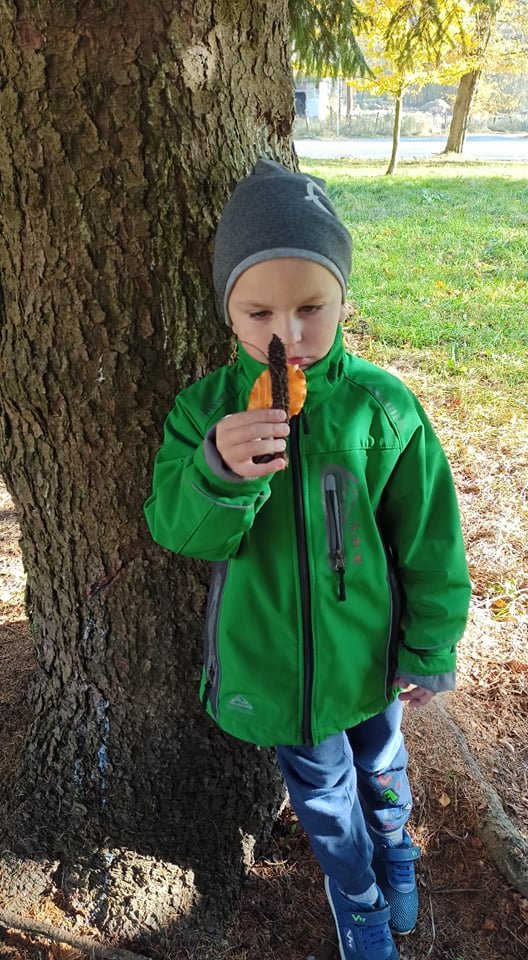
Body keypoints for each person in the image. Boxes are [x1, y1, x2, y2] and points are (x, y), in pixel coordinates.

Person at [144, 160, 471, 960]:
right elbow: (179, 531)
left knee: (383, 762)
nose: (285, 335)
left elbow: (431, 537)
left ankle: (396, 846)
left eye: (310, 307)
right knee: (324, 792)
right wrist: (219, 473)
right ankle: (356, 892)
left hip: (370, 653)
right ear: (227, 311)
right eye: (259, 311)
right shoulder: (205, 412)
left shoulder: (381, 408)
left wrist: (430, 646)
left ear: (344, 302)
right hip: (277, 667)